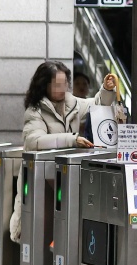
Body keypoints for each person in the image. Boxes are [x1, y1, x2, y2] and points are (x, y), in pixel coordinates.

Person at [9, 61, 116, 242]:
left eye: (64, 83)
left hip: (64, 181)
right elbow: (34, 141)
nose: (62, 88)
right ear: (44, 85)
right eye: (57, 85)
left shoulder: (71, 103)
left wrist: (106, 89)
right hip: (39, 183)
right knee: (35, 239)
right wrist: (72, 139)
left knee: (61, 238)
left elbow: (97, 103)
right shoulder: (35, 110)